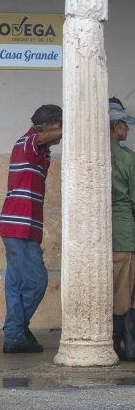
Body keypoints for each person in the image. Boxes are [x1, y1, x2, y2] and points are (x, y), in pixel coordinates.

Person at [0, 104, 62, 354]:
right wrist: (77, 125)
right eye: (58, 126)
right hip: (20, 225)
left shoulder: (39, 149)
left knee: (14, 284)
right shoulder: (28, 142)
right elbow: (45, 136)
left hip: (19, 226)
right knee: (37, 281)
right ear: (46, 126)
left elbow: (47, 139)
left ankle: (15, 334)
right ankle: (15, 331)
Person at [109, 98, 135, 360]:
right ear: (115, 127)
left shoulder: (92, 155)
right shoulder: (127, 158)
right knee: (123, 293)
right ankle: (117, 344)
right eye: (125, 127)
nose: (127, 131)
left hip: (102, 234)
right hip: (125, 234)